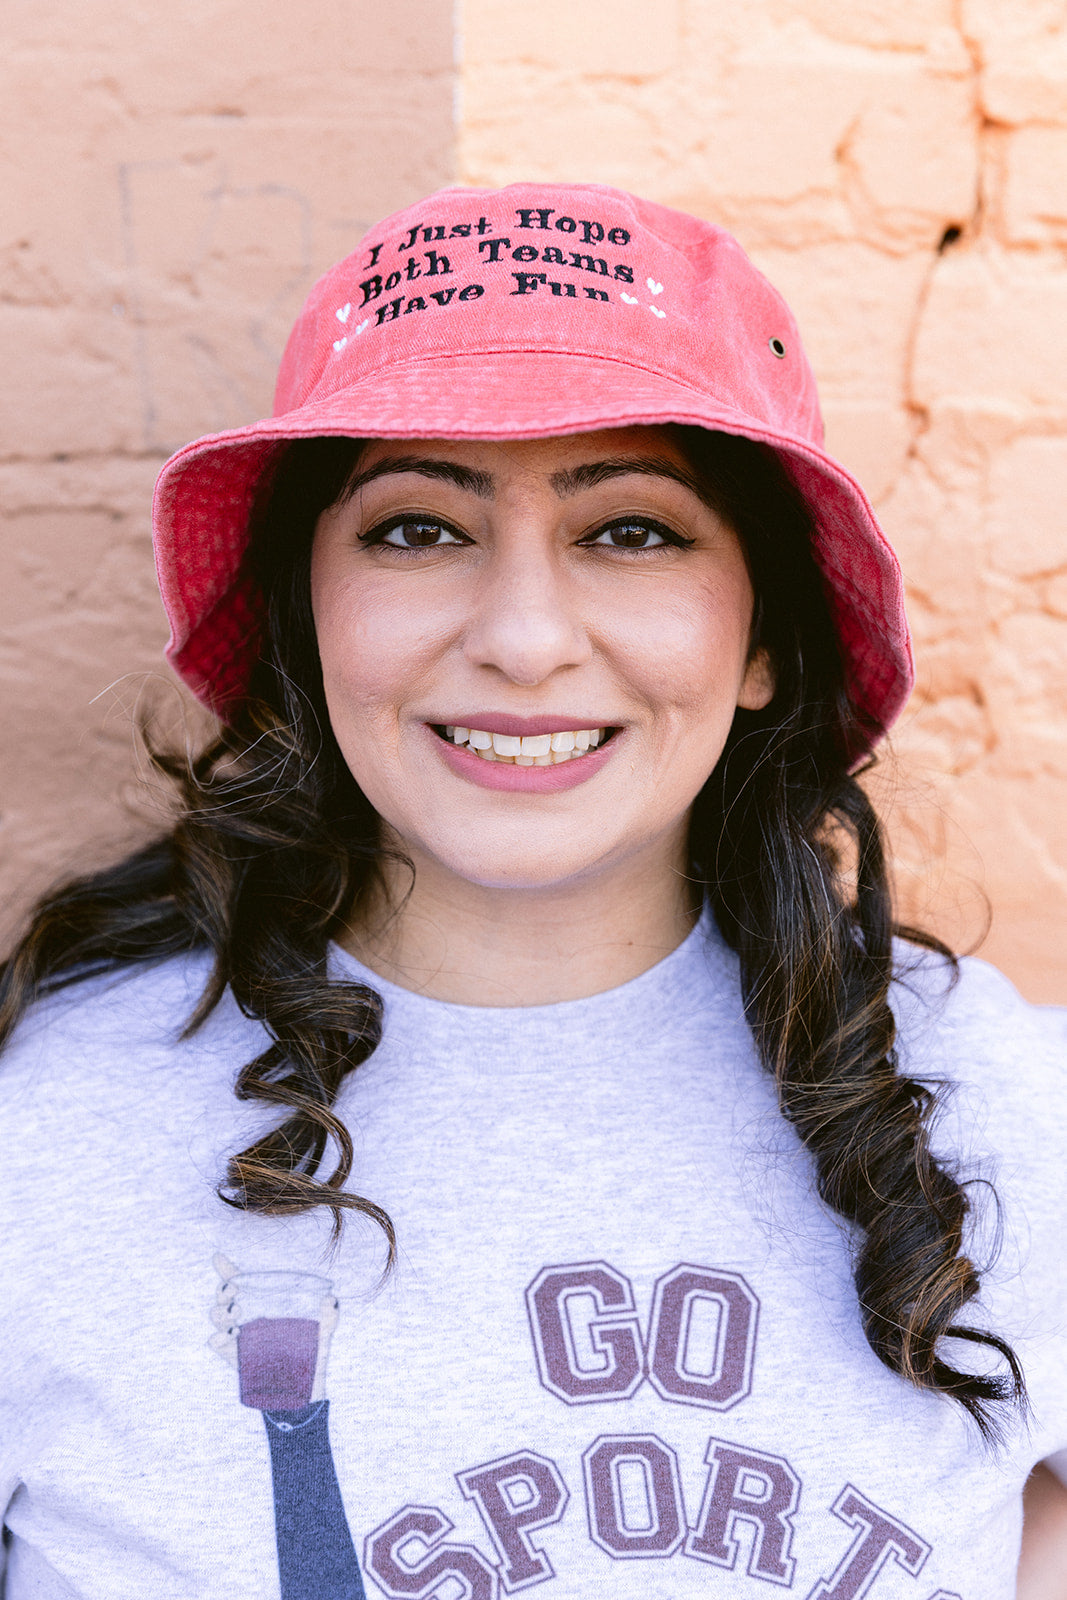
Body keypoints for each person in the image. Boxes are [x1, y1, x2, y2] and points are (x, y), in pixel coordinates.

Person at [0, 182, 1064, 1600]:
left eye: (631, 530)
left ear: (763, 640)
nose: (520, 637)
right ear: (309, 619)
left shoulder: (989, 1098)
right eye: (417, 530)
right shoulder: (54, 1122)